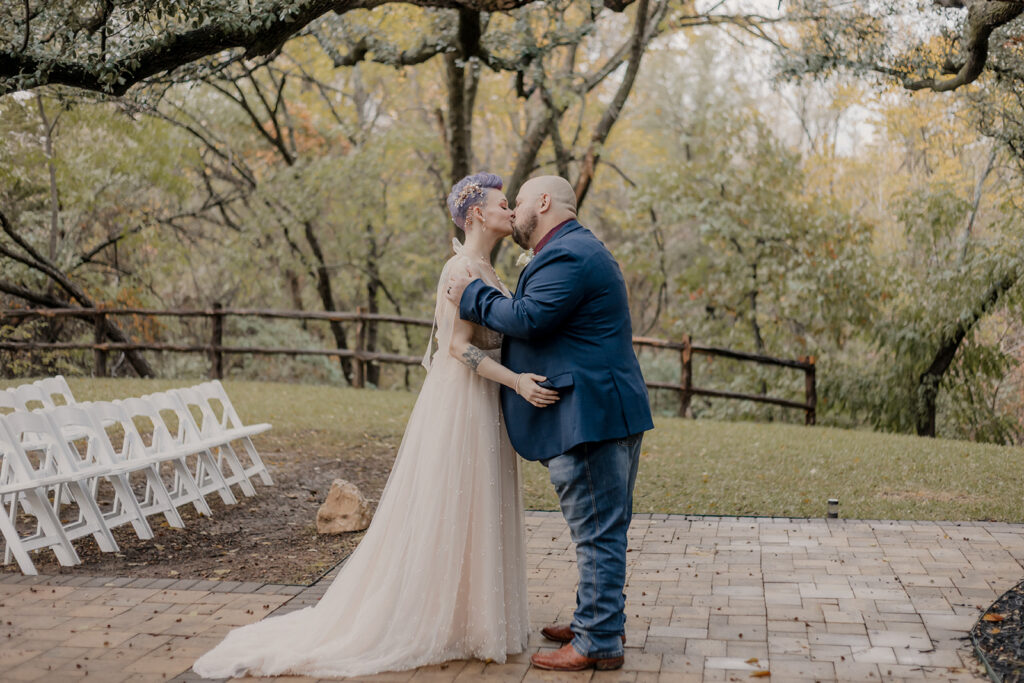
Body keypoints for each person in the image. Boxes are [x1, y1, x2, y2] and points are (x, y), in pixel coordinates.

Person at [192, 172, 558, 679]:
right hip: (463, 402)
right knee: (452, 503)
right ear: (476, 213)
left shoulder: (488, 270)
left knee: (480, 506)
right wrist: (516, 382)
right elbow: (457, 348)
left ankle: (476, 619)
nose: (510, 211)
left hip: (486, 402)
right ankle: (433, 619)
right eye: (502, 203)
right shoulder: (460, 267)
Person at [446, 174, 654, 672]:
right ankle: (597, 620)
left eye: (518, 202)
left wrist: (471, 294)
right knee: (605, 528)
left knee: (597, 531)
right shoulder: (578, 249)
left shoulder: (568, 253)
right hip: (606, 411)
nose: (513, 211)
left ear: (544, 202)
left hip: (591, 419)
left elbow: (532, 317)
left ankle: (598, 641)